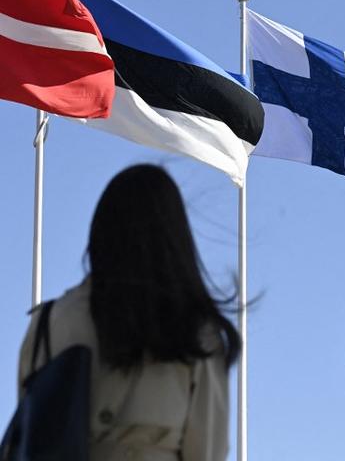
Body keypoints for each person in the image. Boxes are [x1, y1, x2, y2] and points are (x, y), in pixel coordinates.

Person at [17, 164, 238, 461]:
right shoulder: (196, 335)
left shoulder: (49, 323)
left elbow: (29, 436)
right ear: (175, 239)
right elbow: (207, 451)